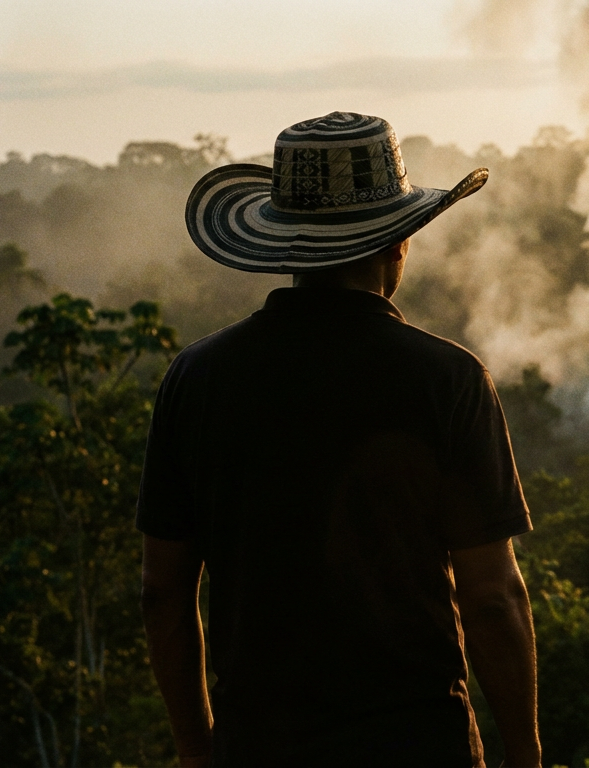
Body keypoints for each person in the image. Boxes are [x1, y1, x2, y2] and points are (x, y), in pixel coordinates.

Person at [137, 112, 540, 768]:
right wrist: (525, 752)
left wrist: (195, 750)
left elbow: (163, 589)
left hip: (259, 746)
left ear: (286, 244)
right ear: (399, 243)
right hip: (419, 744)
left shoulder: (199, 377)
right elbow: (491, 597)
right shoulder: (449, 379)